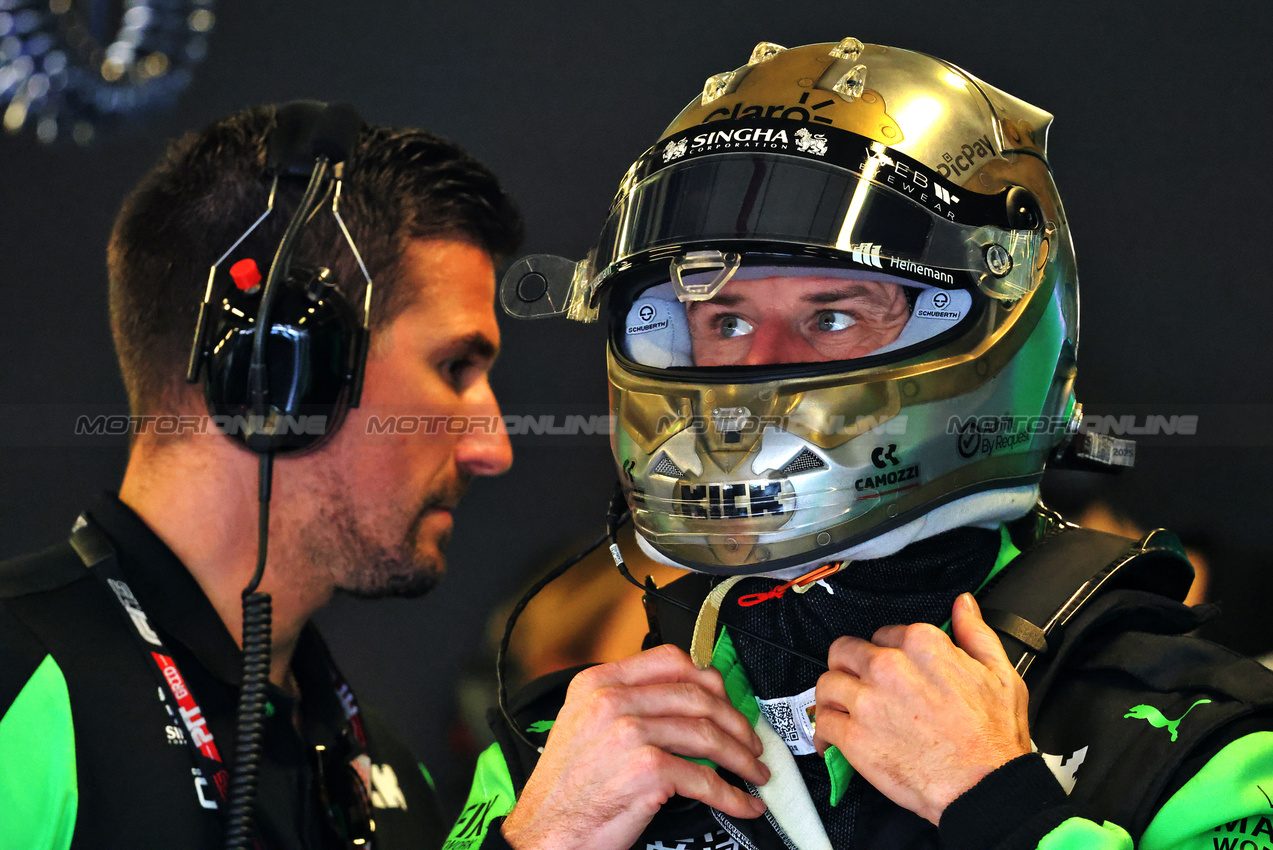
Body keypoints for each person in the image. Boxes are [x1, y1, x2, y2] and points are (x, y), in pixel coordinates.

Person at [445, 40, 1273, 850]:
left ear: (987, 331)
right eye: (725, 322)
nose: (760, 370)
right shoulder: (555, 759)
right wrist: (548, 838)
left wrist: (1003, 811)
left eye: (831, 317)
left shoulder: (1200, 742)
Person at [0, 102, 521, 848]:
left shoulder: (392, 774)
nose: (492, 447)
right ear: (282, 369)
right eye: (454, 368)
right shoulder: (17, 676)